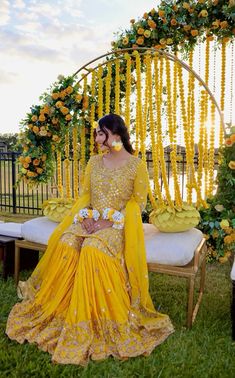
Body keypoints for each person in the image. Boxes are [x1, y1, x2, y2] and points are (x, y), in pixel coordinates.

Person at [6, 113, 174, 365]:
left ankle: (91, 315)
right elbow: (86, 196)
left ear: (115, 135)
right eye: (97, 133)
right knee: (66, 242)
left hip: (117, 225)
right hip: (90, 218)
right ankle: (59, 308)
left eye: (101, 133)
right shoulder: (94, 162)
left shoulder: (136, 165)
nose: (96, 138)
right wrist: (84, 217)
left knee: (93, 248)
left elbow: (137, 204)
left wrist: (108, 222)